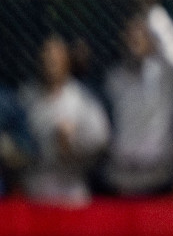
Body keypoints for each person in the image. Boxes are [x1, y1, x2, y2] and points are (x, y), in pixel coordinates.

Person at [103, 0, 173, 195]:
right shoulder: (114, 78)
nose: (135, 38)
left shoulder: (165, 76)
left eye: (142, 33)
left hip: (158, 177)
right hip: (121, 178)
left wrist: (153, 9)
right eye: (131, 33)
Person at [19, 34, 111, 206]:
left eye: (55, 58)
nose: (49, 63)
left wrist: (72, 143)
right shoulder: (27, 96)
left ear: (66, 61)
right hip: (34, 189)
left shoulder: (81, 98)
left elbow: (101, 140)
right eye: (46, 57)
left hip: (69, 189)